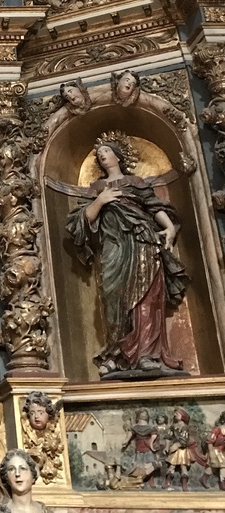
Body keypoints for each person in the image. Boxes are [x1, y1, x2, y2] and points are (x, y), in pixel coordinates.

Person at [65, 140, 187, 378]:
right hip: (113, 247)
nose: (102, 155)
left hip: (143, 241)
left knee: (148, 297)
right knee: (114, 297)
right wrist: (101, 200)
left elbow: (154, 207)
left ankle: (147, 354)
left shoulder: (136, 182)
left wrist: (170, 228)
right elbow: (81, 220)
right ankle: (117, 354)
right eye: (99, 153)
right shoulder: (97, 187)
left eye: (106, 151)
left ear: (118, 156)